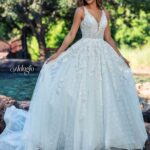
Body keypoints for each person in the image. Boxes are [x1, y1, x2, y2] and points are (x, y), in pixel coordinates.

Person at [0, 0, 148, 149]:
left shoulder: (106, 13)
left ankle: (103, 136)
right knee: (84, 95)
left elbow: (108, 37)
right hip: (84, 55)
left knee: (103, 94)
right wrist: (57, 55)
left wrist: (121, 57)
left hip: (103, 55)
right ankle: (84, 137)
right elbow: (71, 35)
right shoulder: (80, 11)